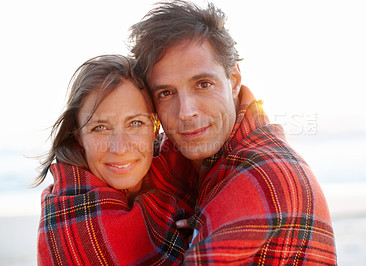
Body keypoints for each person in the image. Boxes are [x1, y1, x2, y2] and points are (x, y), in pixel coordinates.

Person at [129, 1, 337, 264]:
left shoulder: (266, 173)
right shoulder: (176, 160)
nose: (186, 112)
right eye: (166, 93)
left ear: (234, 81)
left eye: (203, 84)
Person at [35, 54, 197, 265]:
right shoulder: (68, 222)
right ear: (78, 135)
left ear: (155, 126)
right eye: (100, 128)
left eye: (135, 123)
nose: (119, 148)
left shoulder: (184, 175)